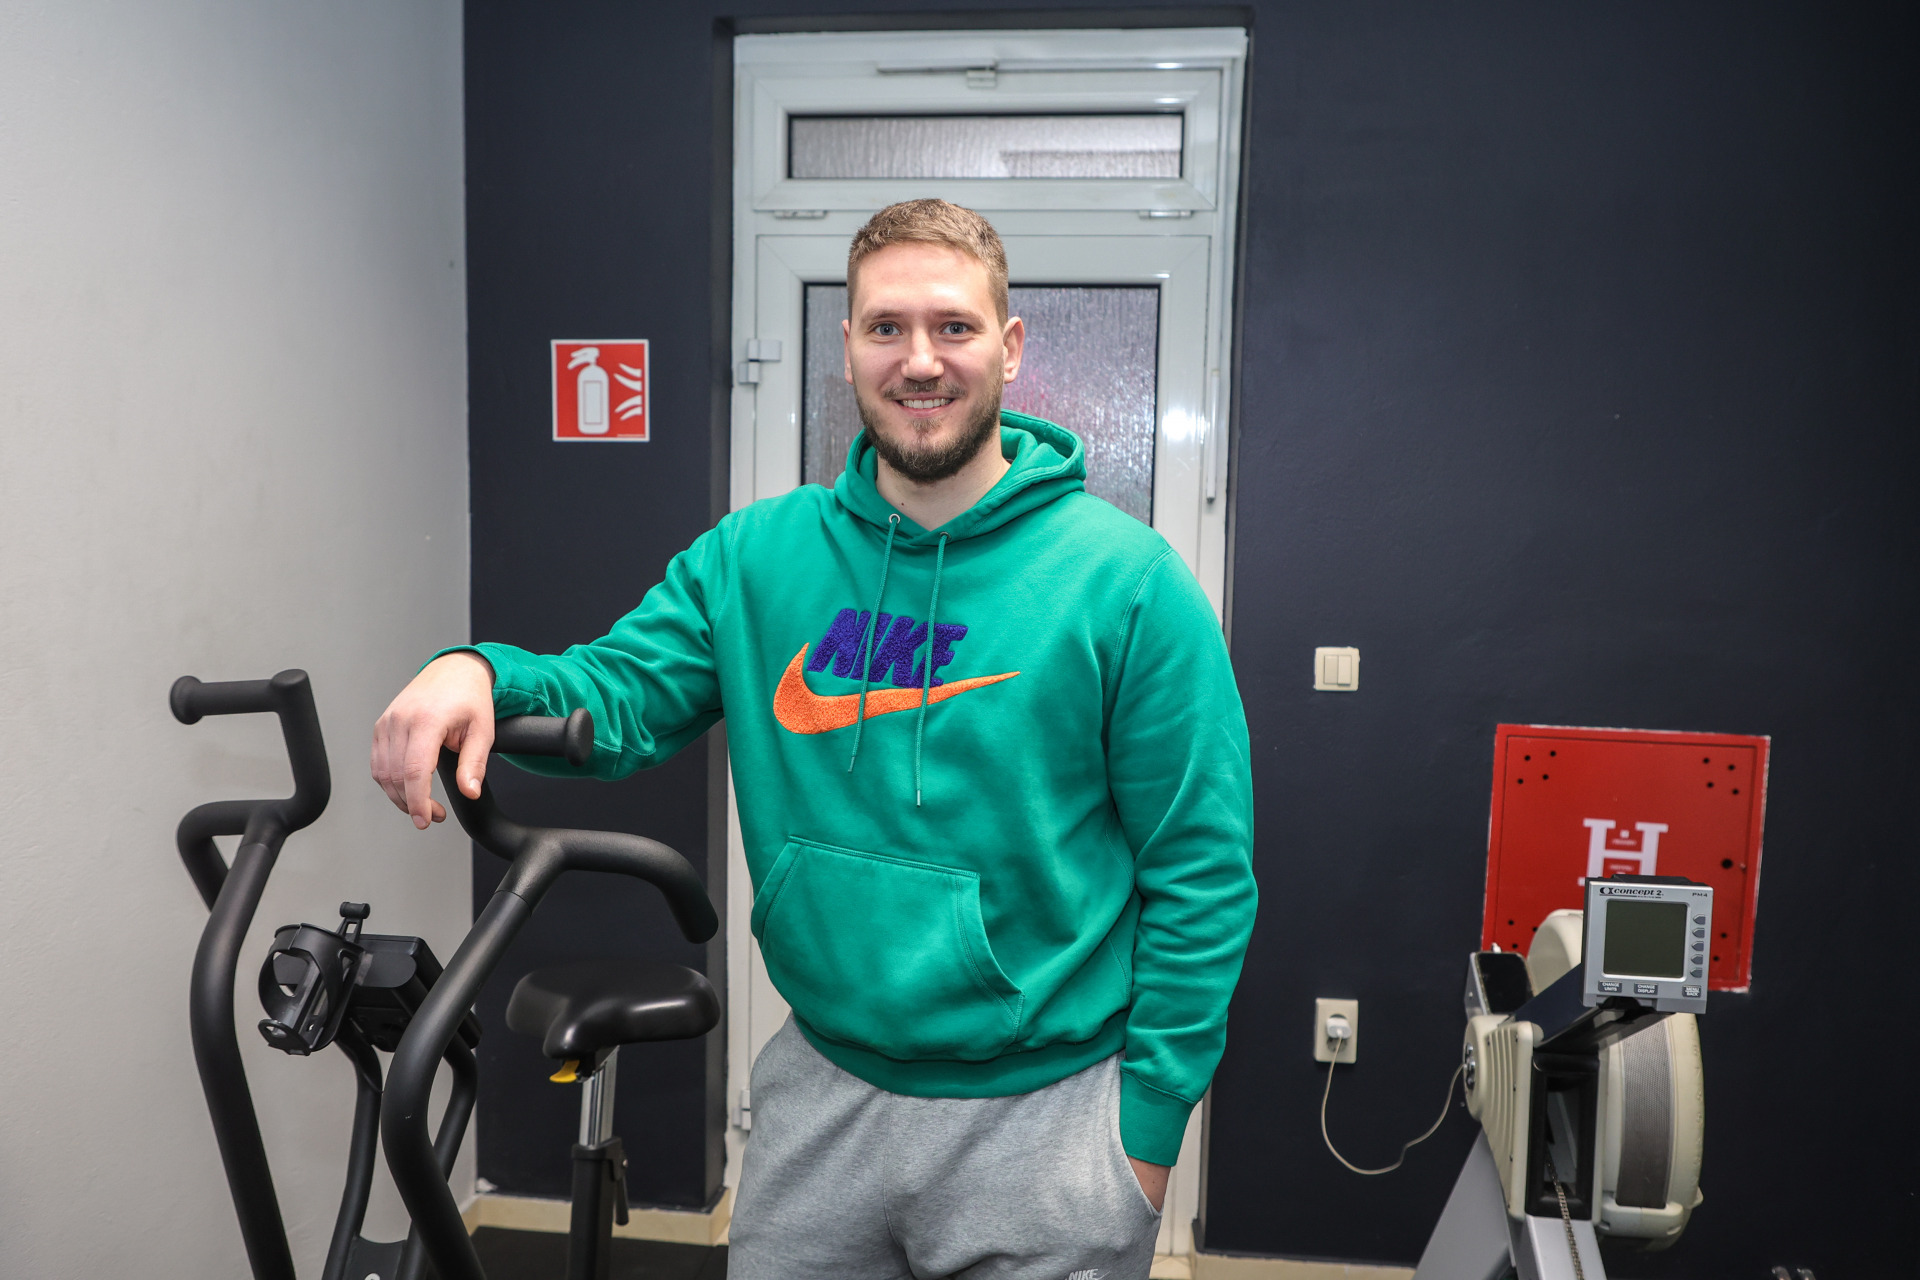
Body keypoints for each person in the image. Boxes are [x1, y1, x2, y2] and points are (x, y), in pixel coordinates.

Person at [372, 199, 1256, 1280]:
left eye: (954, 326)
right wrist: (481, 671)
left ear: (1010, 346)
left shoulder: (1129, 582)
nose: (919, 360)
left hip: (1048, 1121)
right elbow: (616, 694)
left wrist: (1146, 1135)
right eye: (887, 327)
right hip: (818, 1101)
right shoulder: (757, 556)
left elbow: (1202, 872)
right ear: (846, 348)